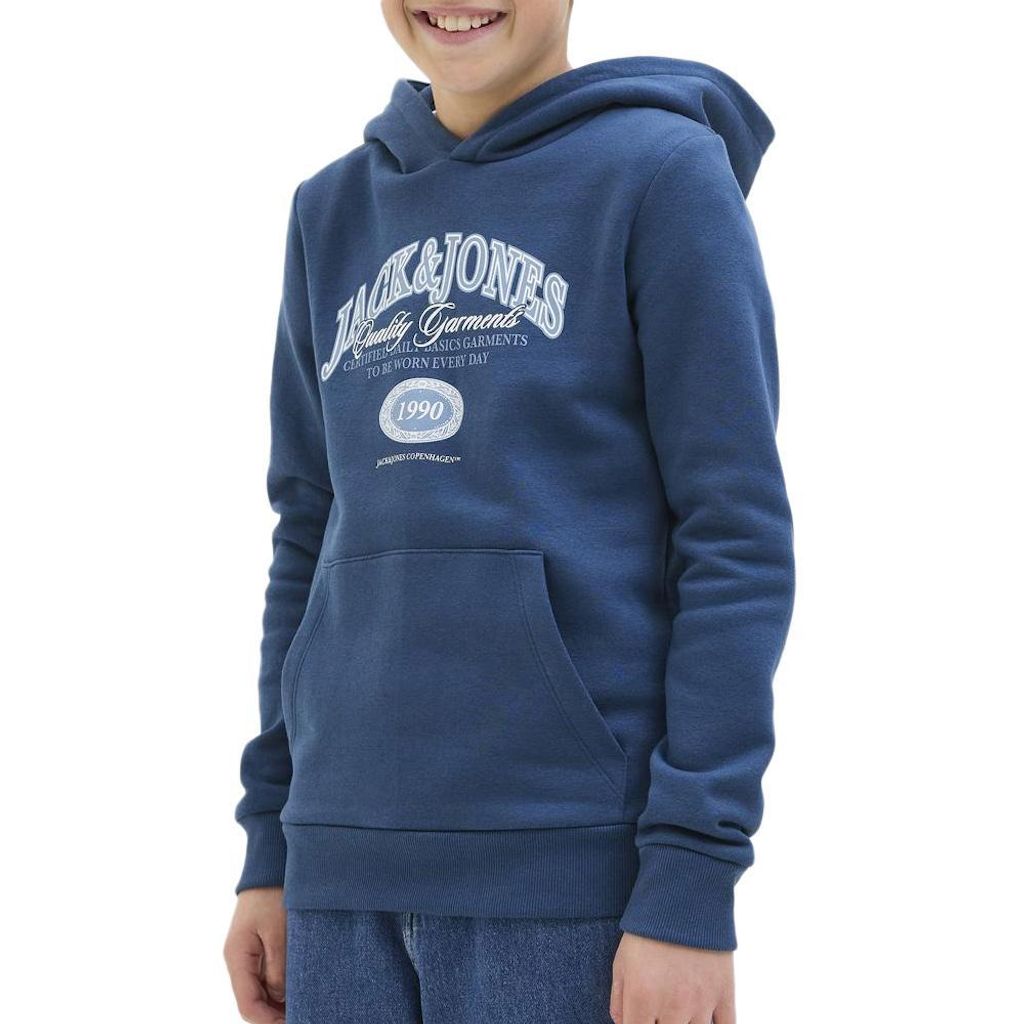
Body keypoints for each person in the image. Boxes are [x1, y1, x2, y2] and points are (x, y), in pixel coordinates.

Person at [222, 2, 796, 1021]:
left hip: (569, 882)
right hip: (337, 875)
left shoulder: (661, 176)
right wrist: (271, 842)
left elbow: (733, 541)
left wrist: (690, 882)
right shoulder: (329, 212)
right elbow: (307, 534)